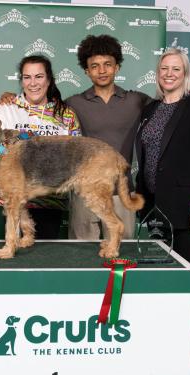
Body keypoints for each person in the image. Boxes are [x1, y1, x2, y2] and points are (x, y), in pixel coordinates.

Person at [135, 48, 190, 326]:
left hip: (189, 208)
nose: (169, 74)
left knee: (189, 270)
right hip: (156, 207)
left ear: (185, 74)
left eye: (176, 69)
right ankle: (166, 332)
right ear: (158, 73)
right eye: (164, 69)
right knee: (160, 272)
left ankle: (187, 333)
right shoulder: (150, 109)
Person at [66, 34, 153, 240]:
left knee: (121, 260)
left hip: (122, 194)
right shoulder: (73, 103)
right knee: (81, 258)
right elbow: (41, 113)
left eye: (107, 64)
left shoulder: (137, 100)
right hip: (84, 194)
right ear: (86, 71)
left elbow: (170, 107)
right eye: (94, 66)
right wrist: (11, 97)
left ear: (117, 67)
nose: (102, 70)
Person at [0, 55, 81, 239]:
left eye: (39, 77)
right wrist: (6, 150)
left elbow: (76, 157)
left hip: (50, 202)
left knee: (44, 259)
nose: (33, 83)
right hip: (14, 202)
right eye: (27, 77)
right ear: (21, 80)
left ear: (49, 80)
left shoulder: (66, 114)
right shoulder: (5, 109)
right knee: (14, 259)